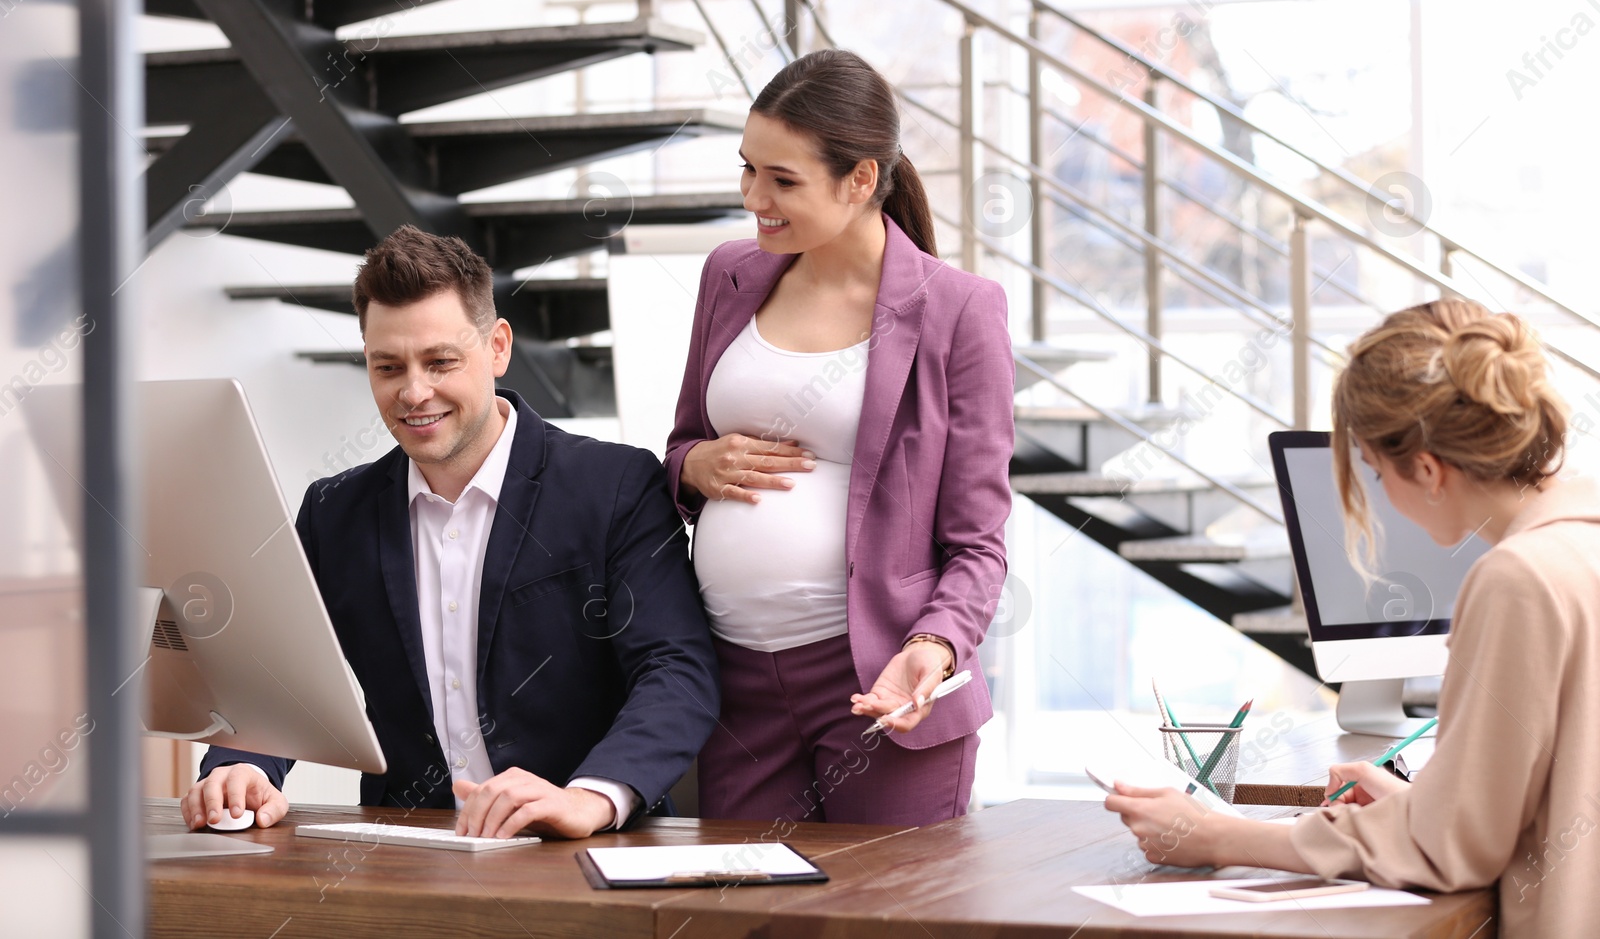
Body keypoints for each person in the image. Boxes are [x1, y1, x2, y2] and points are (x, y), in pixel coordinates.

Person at [181, 226, 719, 838]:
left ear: (497, 347)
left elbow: (678, 669)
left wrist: (590, 797)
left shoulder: (615, 485)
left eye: (440, 362)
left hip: (586, 851)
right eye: (388, 367)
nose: (414, 393)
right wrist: (245, 766)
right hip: (409, 858)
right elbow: (282, 674)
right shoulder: (334, 512)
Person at [1105, 300, 1600, 939]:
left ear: (1425, 468)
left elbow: (1454, 850)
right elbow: (1519, 808)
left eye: (1372, 468)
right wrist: (1425, 806)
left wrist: (1220, 835)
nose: (1375, 494)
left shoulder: (1520, 578)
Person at [664, 49, 1015, 826]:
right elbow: (682, 446)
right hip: (735, 682)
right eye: (748, 168)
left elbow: (978, 540)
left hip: (880, 685)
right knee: (738, 916)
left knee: (885, 917)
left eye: (783, 180)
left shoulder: (959, 310)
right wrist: (699, 464)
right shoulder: (729, 275)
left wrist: (939, 643)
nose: (755, 197)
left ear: (860, 180)